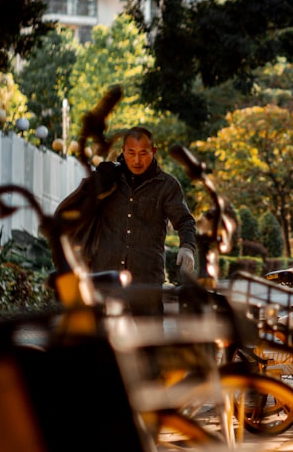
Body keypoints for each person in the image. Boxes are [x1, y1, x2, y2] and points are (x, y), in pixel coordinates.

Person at [56, 126, 197, 316]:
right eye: (131, 153)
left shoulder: (167, 186)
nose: (137, 160)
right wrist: (92, 187)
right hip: (106, 276)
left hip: (146, 280)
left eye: (143, 153)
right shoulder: (108, 179)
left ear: (153, 151)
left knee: (150, 339)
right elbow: (71, 213)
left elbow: (185, 220)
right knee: (102, 340)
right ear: (123, 151)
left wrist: (187, 246)